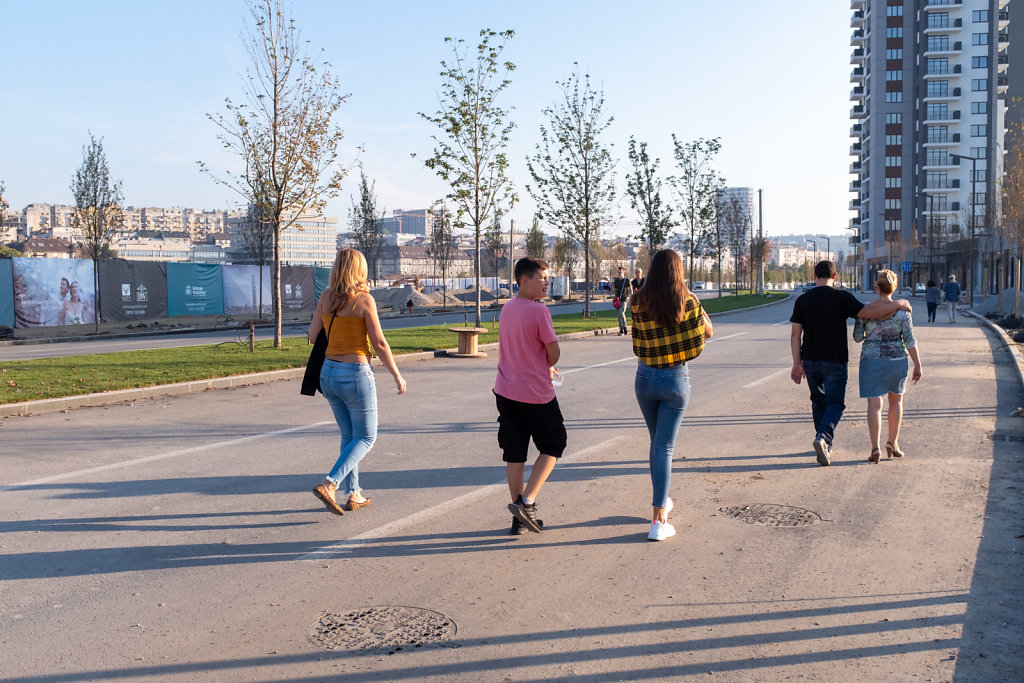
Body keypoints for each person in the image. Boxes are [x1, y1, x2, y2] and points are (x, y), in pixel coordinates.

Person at [308, 248, 407, 516]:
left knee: (350, 436)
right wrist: (397, 374)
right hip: (355, 373)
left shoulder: (325, 298)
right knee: (366, 436)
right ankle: (330, 484)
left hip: (328, 372)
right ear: (359, 270)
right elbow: (380, 343)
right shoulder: (364, 300)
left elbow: (312, 336)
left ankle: (354, 493)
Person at [790, 260, 912, 466]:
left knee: (818, 402)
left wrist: (796, 362)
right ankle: (823, 438)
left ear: (814, 276)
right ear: (835, 276)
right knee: (835, 403)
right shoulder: (842, 297)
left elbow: (795, 334)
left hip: (810, 360)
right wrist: (897, 304)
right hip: (835, 360)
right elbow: (869, 313)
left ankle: (824, 441)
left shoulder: (803, 300)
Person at [630, 249, 713, 541]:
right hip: (675, 379)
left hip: (644, 378)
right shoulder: (689, 301)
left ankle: (662, 499)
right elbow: (709, 332)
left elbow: (638, 335)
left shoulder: (637, 300)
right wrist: (693, 300)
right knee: (664, 447)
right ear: (679, 273)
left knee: (657, 444)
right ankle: (658, 521)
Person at [495, 257, 566, 535]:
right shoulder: (539, 312)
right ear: (525, 280)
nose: (547, 282)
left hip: (505, 389)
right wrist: (546, 364)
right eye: (542, 278)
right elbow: (554, 352)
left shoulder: (508, 308)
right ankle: (527, 501)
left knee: (515, 452)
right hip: (535, 392)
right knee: (554, 444)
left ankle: (518, 517)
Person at [854, 270, 923, 463]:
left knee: (874, 405)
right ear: (895, 287)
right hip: (896, 361)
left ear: (877, 287)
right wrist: (918, 364)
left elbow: (858, 338)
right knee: (896, 402)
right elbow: (910, 341)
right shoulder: (903, 311)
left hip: (871, 361)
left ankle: (875, 448)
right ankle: (892, 443)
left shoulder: (866, 311)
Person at [613, 266, 633, 335]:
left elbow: (630, 288)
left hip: (624, 299)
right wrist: (609, 289)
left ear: (624, 272)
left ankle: (625, 327)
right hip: (617, 299)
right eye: (618, 272)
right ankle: (621, 330)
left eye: (620, 272)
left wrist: (631, 296)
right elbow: (615, 290)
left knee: (621, 313)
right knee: (618, 315)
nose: (619, 273)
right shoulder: (616, 280)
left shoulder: (627, 280)